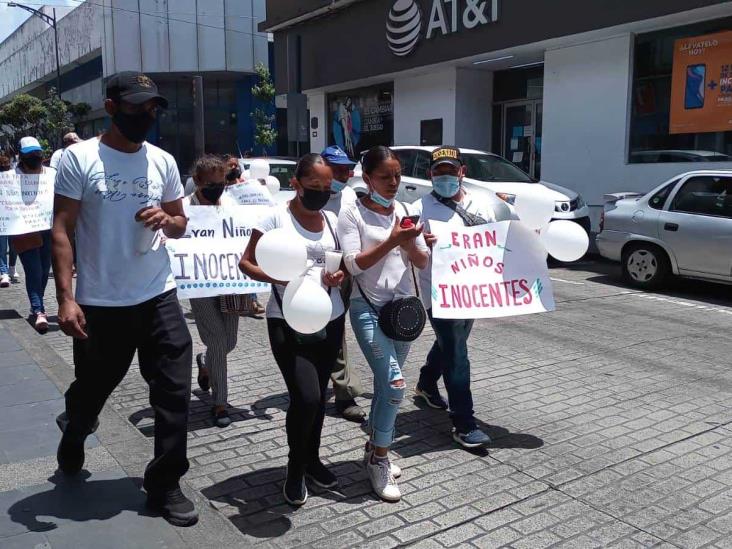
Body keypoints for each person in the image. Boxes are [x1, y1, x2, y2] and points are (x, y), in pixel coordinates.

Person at [52, 71, 197, 527]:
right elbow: (61, 229)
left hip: (159, 294)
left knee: (174, 390)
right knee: (94, 388)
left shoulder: (163, 161)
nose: (146, 115)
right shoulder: (79, 159)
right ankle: (76, 427)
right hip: (100, 302)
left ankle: (165, 484)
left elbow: (180, 221)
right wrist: (66, 298)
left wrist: (168, 221)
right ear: (111, 107)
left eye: (152, 107)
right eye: (136, 107)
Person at [240, 154, 347, 507]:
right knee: (307, 397)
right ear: (296, 184)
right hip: (285, 319)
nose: (320, 194)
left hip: (329, 318)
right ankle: (295, 467)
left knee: (317, 402)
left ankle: (313, 460)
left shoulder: (331, 220)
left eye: (326, 188)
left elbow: (339, 264)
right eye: (313, 187)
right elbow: (246, 262)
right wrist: (277, 276)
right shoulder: (274, 217)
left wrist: (337, 276)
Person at [337, 146, 429, 502]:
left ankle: (373, 445)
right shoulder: (352, 213)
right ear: (367, 177)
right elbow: (353, 265)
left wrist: (410, 245)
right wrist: (393, 239)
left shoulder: (405, 211)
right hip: (368, 309)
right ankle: (379, 458)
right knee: (394, 385)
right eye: (384, 176)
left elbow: (422, 261)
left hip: (403, 313)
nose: (392, 183)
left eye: (397, 176)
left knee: (385, 386)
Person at [412, 146, 496, 449]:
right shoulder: (419, 207)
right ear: (430, 174)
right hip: (439, 291)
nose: (445, 176)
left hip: (470, 290)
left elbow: (493, 243)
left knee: (451, 343)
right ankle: (464, 422)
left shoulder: (481, 205)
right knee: (457, 352)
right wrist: (420, 241)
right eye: (439, 171)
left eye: (451, 170)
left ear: (463, 172)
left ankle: (425, 383)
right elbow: (406, 246)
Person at [185, 155, 239, 428]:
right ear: (197, 182)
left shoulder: (231, 205)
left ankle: (205, 361)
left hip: (230, 281)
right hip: (199, 283)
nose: (218, 189)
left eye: (222, 183)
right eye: (211, 184)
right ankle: (220, 403)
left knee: (229, 342)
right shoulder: (184, 209)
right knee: (217, 339)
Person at [320, 145, 365, 423]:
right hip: (317, 272)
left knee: (335, 329)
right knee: (334, 332)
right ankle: (344, 393)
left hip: (345, 270)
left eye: (347, 169)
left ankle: (336, 385)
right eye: (337, 170)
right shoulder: (310, 196)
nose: (345, 174)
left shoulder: (349, 195)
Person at [14, 137, 55, 332]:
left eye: (37, 154)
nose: (35, 158)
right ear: (21, 156)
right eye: (30, 155)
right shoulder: (9, 178)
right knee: (33, 270)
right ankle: (39, 311)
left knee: (44, 270)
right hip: (24, 230)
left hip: (48, 229)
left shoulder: (51, 175)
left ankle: (35, 303)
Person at [0, 154, 19, 287]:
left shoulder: (14, 178)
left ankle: (11, 268)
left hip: (12, 215)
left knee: (13, 246)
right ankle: (4, 272)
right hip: (2, 217)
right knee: (2, 246)